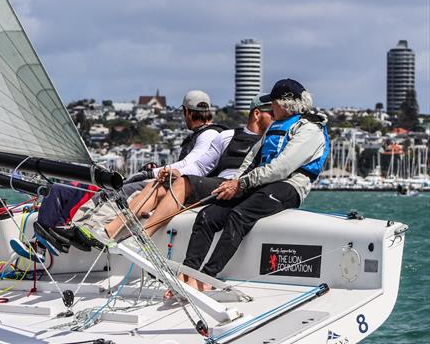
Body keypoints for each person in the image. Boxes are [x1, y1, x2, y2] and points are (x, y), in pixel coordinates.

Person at [33, 90, 224, 253]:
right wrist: (154, 171)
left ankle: (88, 229)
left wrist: (152, 173)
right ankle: (78, 227)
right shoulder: (208, 134)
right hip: (176, 184)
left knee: (118, 193)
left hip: (179, 189)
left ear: (188, 112)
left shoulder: (209, 135)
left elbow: (191, 165)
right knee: (111, 191)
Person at [181, 78, 330, 282]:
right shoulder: (275, 126)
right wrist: (234, 183)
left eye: (273, 103)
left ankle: (206, 277)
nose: (271, 107)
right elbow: (252, 159)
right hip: (259, 183)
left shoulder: (310, 129)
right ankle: (187, 273)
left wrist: (242, 184)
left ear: (285, 103)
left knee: (238, 215)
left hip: (288, 186)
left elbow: (282, 168)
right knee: (208, 215)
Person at [104, 95, 273, 240]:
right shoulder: (227, 136)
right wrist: (175, 173)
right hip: (219, 183)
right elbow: (200, 167)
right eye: (271, 113)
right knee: (158, 185)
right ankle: (110, 231)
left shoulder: (274, 141)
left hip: (242, 187)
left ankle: (143, 237)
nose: (276, 118)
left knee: (182, 183)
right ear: (257, 114)